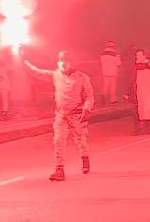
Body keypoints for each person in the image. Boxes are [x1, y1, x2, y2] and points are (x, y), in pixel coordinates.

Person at [22, 50, 95, 181]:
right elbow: (36, 72)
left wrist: (86, 110)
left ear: (71, 63)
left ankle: (85, 159)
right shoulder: (55, 75)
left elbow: (89, 96)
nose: (63, 63)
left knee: (81, 140)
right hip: (61, 114)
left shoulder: (82, 77)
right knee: (58, 140)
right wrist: (23, 59)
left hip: (77, 114)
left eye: (66, 61)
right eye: (61, 61)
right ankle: (59, 169)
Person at [130, 49, 150, 135]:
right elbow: (130, 79)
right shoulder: (133, 66)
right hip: (136, 91)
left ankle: (147, 128)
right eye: (137, 55)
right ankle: (137, 129)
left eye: (140, 55)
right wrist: (129, 92)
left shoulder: (149, 66)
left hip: (147, 91)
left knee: (146, 110)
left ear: (144, 56)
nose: (138, 57)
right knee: (135, 111)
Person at [99, 41, 122, 105]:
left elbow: (101, 63)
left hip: (105, 72)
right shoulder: (115, 54)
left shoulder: (102, 54)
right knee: (113, 86)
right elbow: (118, 63)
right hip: (113, 72)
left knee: (105, 86)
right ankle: (113, 100)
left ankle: (103, 97)